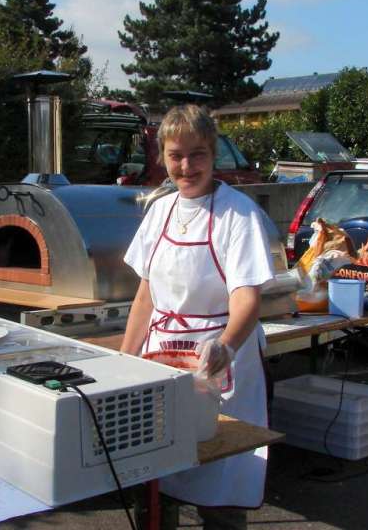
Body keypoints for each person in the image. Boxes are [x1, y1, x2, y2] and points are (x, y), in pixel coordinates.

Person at [121, 104, 276, 529]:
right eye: (176, 155)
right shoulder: (159, 210)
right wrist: (123, 360)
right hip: (163, 358)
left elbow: (247, 297)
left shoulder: (239, 214)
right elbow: (145, 295)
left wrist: (225, 345)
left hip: (220, 363)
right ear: (162, 157)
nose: (186, 166)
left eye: (198, 155)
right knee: (157, 476)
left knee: (220, 485)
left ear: (213, 155)